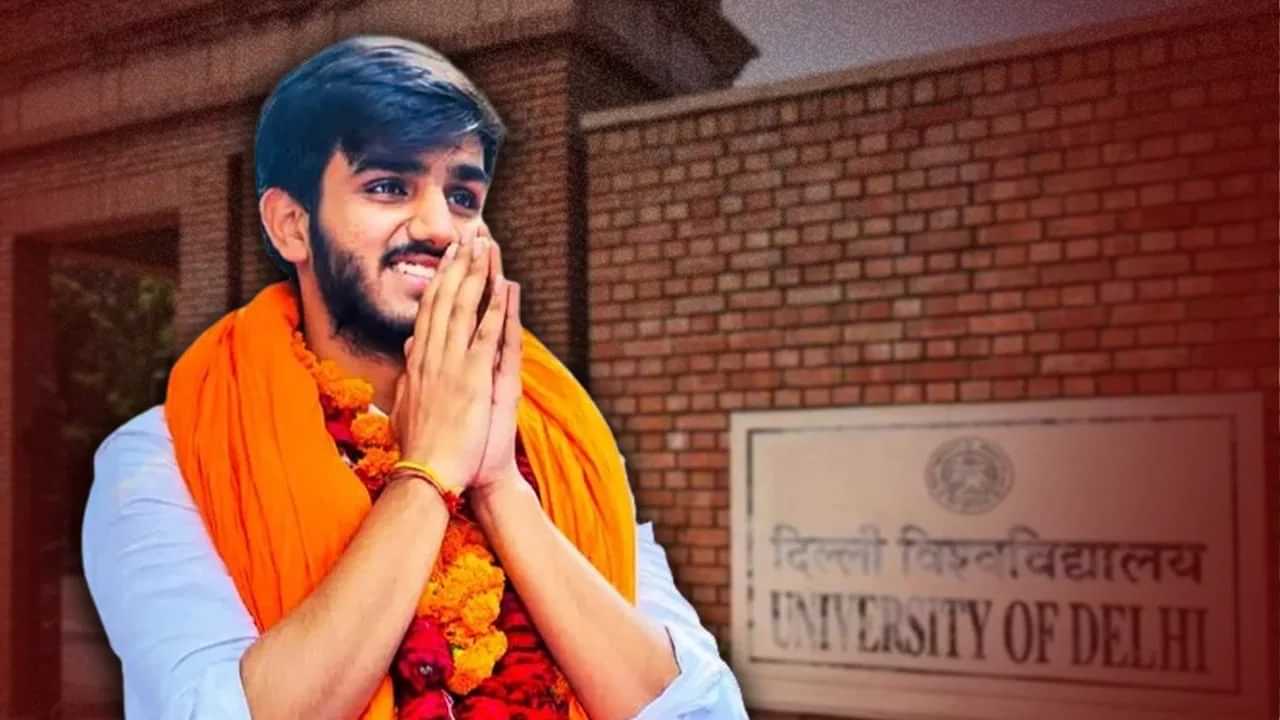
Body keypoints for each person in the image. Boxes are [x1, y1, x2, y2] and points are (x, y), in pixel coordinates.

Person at [82, 36, 748, 719]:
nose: (437, 226)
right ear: (290, 225)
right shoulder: (166, 458)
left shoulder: (563, 448)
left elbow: (705, 710)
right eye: (388, 186)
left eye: (462, 195)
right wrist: (427, 476)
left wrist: (499, 487)